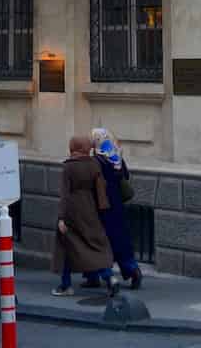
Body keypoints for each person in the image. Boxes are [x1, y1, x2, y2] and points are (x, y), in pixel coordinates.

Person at [52, 136, 117, 298]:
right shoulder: (94, 164)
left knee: (67, 246)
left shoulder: (69, 167)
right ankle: (109, 276)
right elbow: (100, 188)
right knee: (93, 244)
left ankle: (65, 285)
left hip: (72, 211)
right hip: (90, 208)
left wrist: (61, 217)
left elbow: (65, 194)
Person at [91, 126, 142, 288]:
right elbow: (125, 176)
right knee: (121, 240)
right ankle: (133, 269)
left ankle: (105, 276)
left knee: (99, 242)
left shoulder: (96, 160)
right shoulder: (116, 156)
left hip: (101, 206)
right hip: (117, 206)